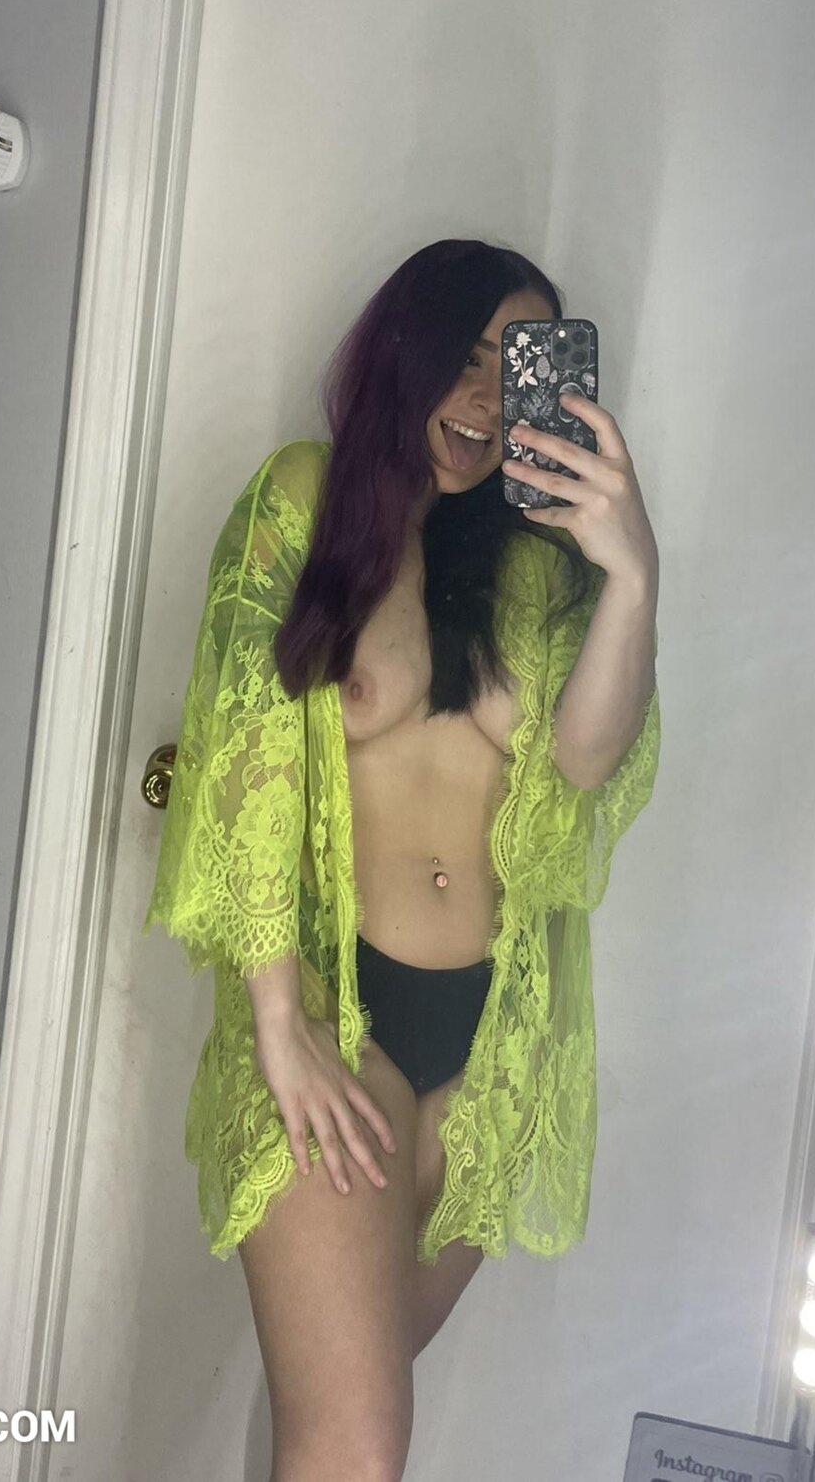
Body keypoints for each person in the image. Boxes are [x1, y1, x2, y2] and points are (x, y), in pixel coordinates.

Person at [143, 237, 661, 1481]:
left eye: (516, 366)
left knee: (342, 1425)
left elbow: (588, 761)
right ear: (406, 349)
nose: (484, 398)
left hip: (492, 1060)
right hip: (343, 1023)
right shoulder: (306, 495)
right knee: (357, 1449)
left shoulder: (534, 566)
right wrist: (279, 1022)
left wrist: (632, 573)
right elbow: (242, 756)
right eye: (465, 355)